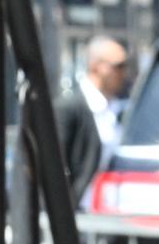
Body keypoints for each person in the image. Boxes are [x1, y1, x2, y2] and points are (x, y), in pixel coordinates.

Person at [55, 35, 132, 205]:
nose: (124, 73)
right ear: (96, 67)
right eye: (118, 66)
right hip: (81, 212)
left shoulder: (117, 108)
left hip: (113, 209)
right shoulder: (69, 109)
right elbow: (56, 169)